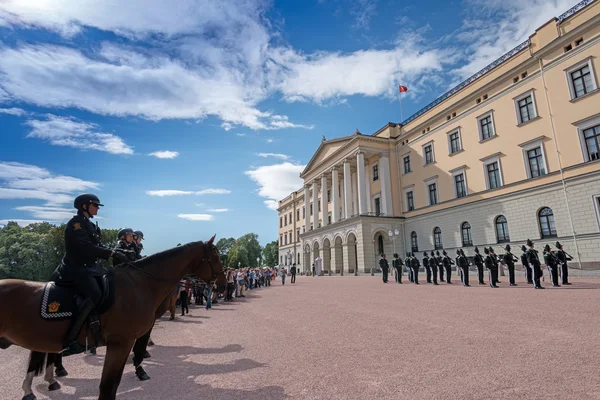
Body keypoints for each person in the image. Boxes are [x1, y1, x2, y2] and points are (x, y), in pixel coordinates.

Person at [57, 194, 126, 356]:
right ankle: (71, 340)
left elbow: (97, 245)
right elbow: (84, 246)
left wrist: (116, 252)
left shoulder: (90, 225)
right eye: (94, 205)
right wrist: (110, 253)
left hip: (90, 268)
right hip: (76, 268)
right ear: (84, 206)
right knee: (95, 294)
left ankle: (97, 329)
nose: (97, 208)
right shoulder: (76, 223)